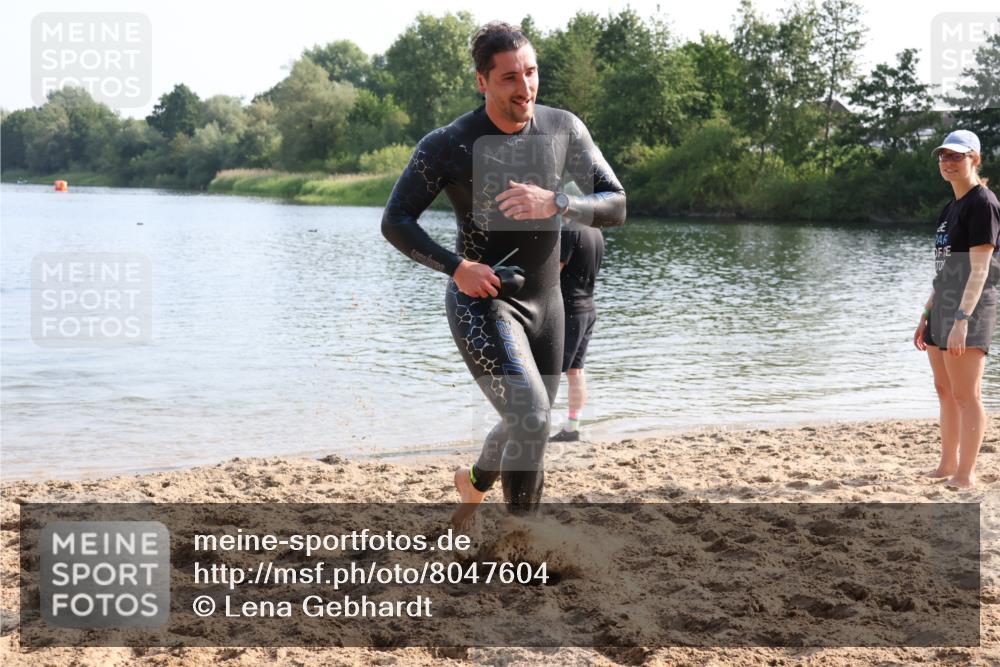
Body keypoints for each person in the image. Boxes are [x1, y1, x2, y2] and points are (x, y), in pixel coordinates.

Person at [381, 22, 626, 522]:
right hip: (483, 299)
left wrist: (558, 201)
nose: (525, 87)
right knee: (531, 417)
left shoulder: (563, 128)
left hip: (547, 303)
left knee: (528, 422)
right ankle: (522, 538)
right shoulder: (449, 144)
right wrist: (457, 268)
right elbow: (396, 221)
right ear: (482, 82)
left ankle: (473, 484)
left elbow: (616, 203)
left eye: (531, 73)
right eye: (510, 77)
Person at [913, 129, 1000, 489]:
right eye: (944, 157)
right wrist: (927, 313)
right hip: (944, 303)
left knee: (967, 395)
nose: (948, 162)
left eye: (957, 156)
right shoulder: (949, 209)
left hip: (971, 306)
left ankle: (966, 474)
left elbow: (980, 269)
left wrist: (963, 318)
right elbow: (945, 268)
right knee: (944, 390)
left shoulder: (984, 203)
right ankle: (947, 465)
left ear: (974, 160)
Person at [550, 221, 605, 442]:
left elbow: (553, 272)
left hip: (569, 310)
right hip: (588, 309)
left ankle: (532, 427)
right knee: (576, 371)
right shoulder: (596, 232)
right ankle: (572, 427)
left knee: (548, 372)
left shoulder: (569, 231)